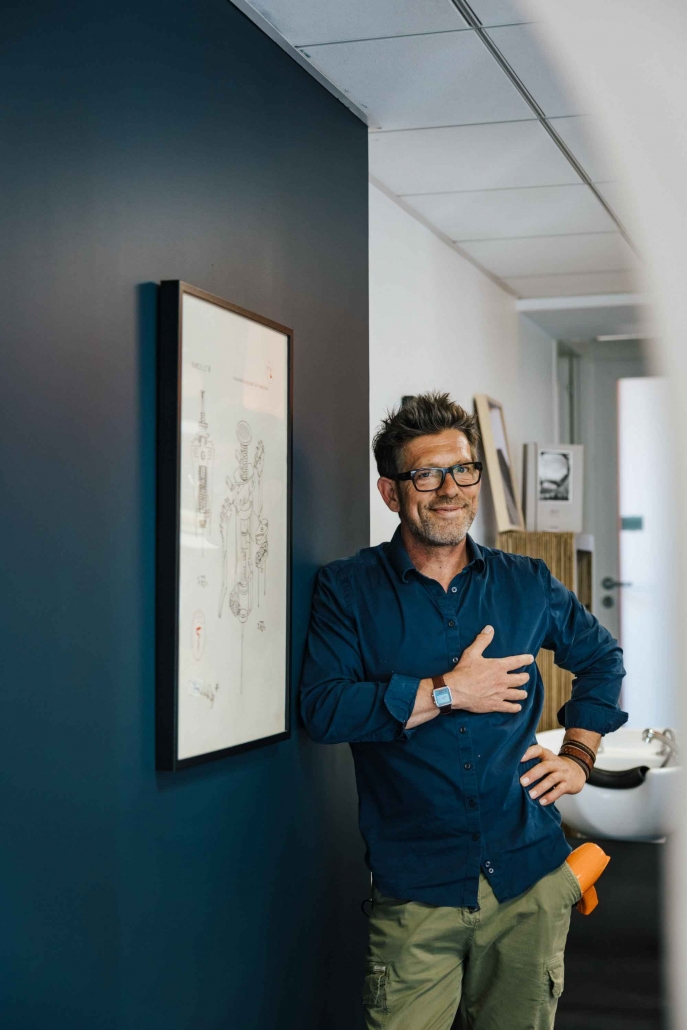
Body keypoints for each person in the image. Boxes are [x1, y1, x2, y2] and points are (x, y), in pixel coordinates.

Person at [300, 392, 626, 1030]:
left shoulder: (527, 582)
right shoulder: (347, 589)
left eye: (463, 469)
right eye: (426, 474)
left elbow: (602, 659)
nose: (450, 489)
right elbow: (325, 708)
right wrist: (448, 690)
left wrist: (579, 756)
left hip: (529, 878)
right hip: (415, 892)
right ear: (391, 492)